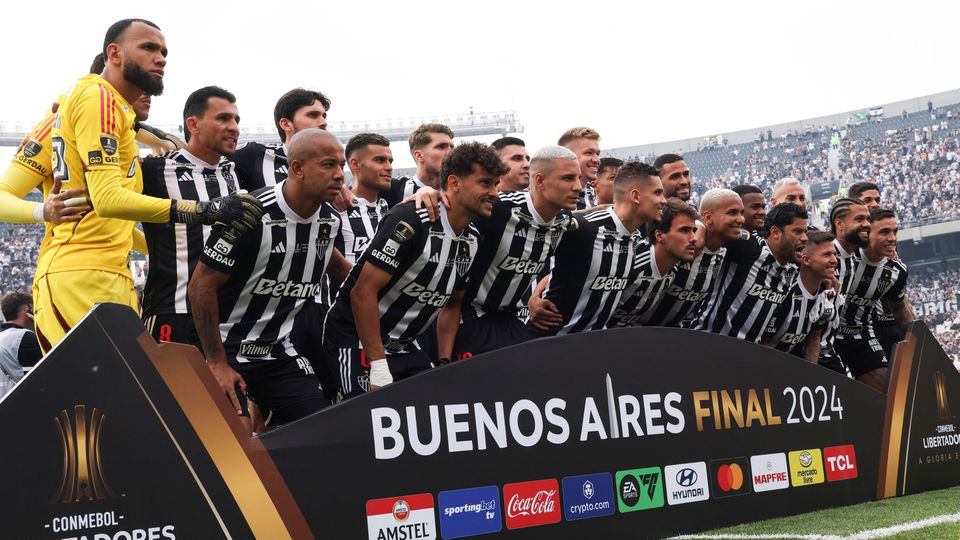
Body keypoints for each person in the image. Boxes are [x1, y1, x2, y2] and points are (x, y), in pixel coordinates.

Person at [33, 19, 261, 351]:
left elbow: (116, 203)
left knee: (126, 396)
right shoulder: (95, 97)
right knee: (93, 393)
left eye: (164, 52)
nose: (161, 58)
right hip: (79, 273)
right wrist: (204, 210)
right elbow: (109, 199)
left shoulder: (118, 115)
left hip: (113, 273)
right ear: (113, 54)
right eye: (148, 48)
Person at [188, 129, 351, 429]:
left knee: (322, 431)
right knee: (235, 441)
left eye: (341, 165)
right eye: (329, 165)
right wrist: (216, 363)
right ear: (297, 168)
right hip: (227, 351)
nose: (340, 175)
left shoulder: (329, 220)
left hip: (279, 353)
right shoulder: (251, 213)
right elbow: (201, 286)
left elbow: (342, 271)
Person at [323, 142, 499, 394]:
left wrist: (444, 361)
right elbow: (362, 293)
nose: (494, 192)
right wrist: (379, 365)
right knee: (364, 424)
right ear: (454, 183)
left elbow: (451, 304)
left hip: (405, 346)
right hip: (356, 341)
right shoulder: (412, 219)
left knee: (434, 415)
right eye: (485, 183)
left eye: (495, 184)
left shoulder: (472, 240)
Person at [437, 145, 579, 363]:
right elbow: (454, 205)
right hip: (469, 319)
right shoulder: (498, 209)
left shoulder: (564, 222)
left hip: (511, 321)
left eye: (578, 178)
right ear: (539, 181)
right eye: (568, 178)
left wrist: (534, 297)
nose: (578, 186)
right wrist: (428, 193)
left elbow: (591, 220)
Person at [140, 86, 241, 346]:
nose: (234, 127)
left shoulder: (237, 170)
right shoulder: (155, 169)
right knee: (170, 388)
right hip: (173, 312)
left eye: (236, 119)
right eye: (223, 118)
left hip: (229, 316)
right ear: (193, 124)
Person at [528, 161, 666, 336]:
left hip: (592, 345)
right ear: (636, 196)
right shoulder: (584, 228)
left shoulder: (636, 237)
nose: (663, 200)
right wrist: (533, 300)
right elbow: (535, 250)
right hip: (549, 343)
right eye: (658, 193)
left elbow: (571, 271)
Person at [321, 133, 393, 395]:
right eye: (379, 160)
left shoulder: (394, 210)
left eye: (390, 160)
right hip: (347, 334)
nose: (388, 166)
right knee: (355, 410)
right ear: (355, 164)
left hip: (387, 331)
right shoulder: (332, 208)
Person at [695, 203, 807, 343]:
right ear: (776, 232)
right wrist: (699, 226)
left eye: (805, 232)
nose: (804, 238)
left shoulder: (791, 269)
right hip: (708, 342)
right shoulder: (749, 246)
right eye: (797, 231)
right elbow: (712, 225)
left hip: (748, 354)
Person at [835, 209, 913, 391]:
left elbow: (900, 309)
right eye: (884, 232)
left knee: (890, 391)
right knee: (836, 391)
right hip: (830, 336)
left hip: (862, 335)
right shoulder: (844, 257)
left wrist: (920, 339)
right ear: (866, 233)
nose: (892, 238)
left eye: (895, 232)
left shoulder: (897, 271)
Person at [642, 188, 744, 327]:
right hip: (636, 332)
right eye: (732, 212)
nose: (741, 219)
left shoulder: (724, 253)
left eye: (741, 213)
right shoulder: (680, 247)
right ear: (707, 217)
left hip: (675, 336)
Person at [607, 198, 700, 327]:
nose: (694, 239)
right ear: (659, 235)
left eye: (694, 231)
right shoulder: (631, 262)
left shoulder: (672, 270)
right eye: (684, 230)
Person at [232, 87, 331, 190]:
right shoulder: (255, 154)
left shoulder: (331, 168)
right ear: (286, 124)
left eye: (324, 116)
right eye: (313, 115)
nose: (324, 122)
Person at [763, 230, 837, 361]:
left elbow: (813, 341)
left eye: (834, 254)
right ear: (806, 260)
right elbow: (764, 342)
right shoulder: (783, 291)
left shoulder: (824, 295)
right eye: (827, 255)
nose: (834, 260)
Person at [848, 181, 902, 359]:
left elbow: (896, 288)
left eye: (877, 199)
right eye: (867, 200)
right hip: (855, 327)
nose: (874, 204)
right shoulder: (844, 246)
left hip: (886, 322)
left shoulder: (886, 240)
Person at [818, 197, 871, 376]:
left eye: (867, 219)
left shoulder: (851, 259)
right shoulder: (825, 257)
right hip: (816, 350)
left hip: (830, 346)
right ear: (839, 224)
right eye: (859, 219)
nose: (866, 224)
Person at [381, 123, 455, 206]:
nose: (451, 152)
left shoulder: (459, 191)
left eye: (451, 147)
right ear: (419, 155)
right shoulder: (392, 188)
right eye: (441, 147)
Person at [0, 293, 41, 399]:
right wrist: (39, 325)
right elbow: (43, 375)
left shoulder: (3, 337)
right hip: (25, 402)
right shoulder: (24, 337)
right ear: (27, 310)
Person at [558, 127, 601, 210]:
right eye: (589, 153)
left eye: (597, 154)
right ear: (567, 156)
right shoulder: (553, 194)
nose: (597, 160)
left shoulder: (590, 191)